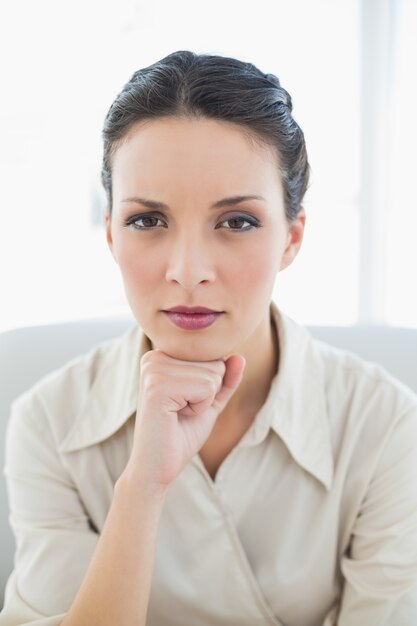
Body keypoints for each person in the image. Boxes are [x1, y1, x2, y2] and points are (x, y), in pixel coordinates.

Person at [1, 50, 417, 626]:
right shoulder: (48, 421)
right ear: (111, 235)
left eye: (237, 222)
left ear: (292, 238)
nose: (188, 270)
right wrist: (142, 487)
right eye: (147, 220)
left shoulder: (386, 424)